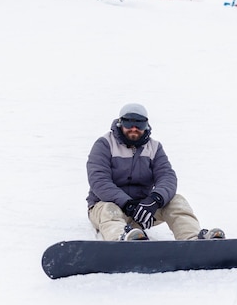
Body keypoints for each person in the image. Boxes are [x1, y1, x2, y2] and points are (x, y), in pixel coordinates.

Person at [86, 103, 225, 241]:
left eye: (139, 124)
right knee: (109, 209)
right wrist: (127, 203)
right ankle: (120, 240)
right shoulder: (105, 144)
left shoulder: (154, 147)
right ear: (120, 123)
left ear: (146, 125)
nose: (133, 129)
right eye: (128, 123)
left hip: (142, 210)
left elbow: (167, 176)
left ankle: (192, 239)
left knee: (177, 201)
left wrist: (154, 200)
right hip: (107, 208)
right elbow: (99, 180)